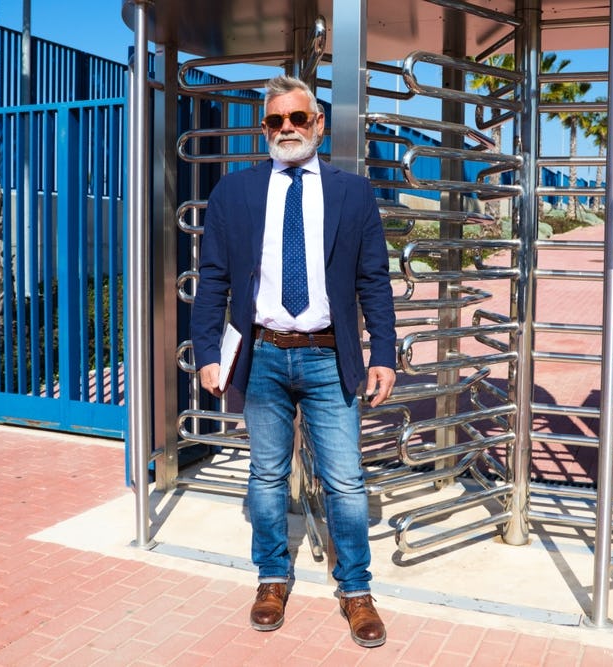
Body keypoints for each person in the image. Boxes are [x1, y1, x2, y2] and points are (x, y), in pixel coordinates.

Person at [190, 74, 397, 648]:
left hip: (331, 356)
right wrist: (208, 354)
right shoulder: (234, 192)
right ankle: (272, 578)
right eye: (276, 120)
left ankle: (355, 589)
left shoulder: (354, 193)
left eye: (297, 118)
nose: (287, 128)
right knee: (265, 474)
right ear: (264, 128)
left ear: (318, 124)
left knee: (346, 479)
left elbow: (374, 280)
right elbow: (212, 279)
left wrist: (383, 352)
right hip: (262, 355)